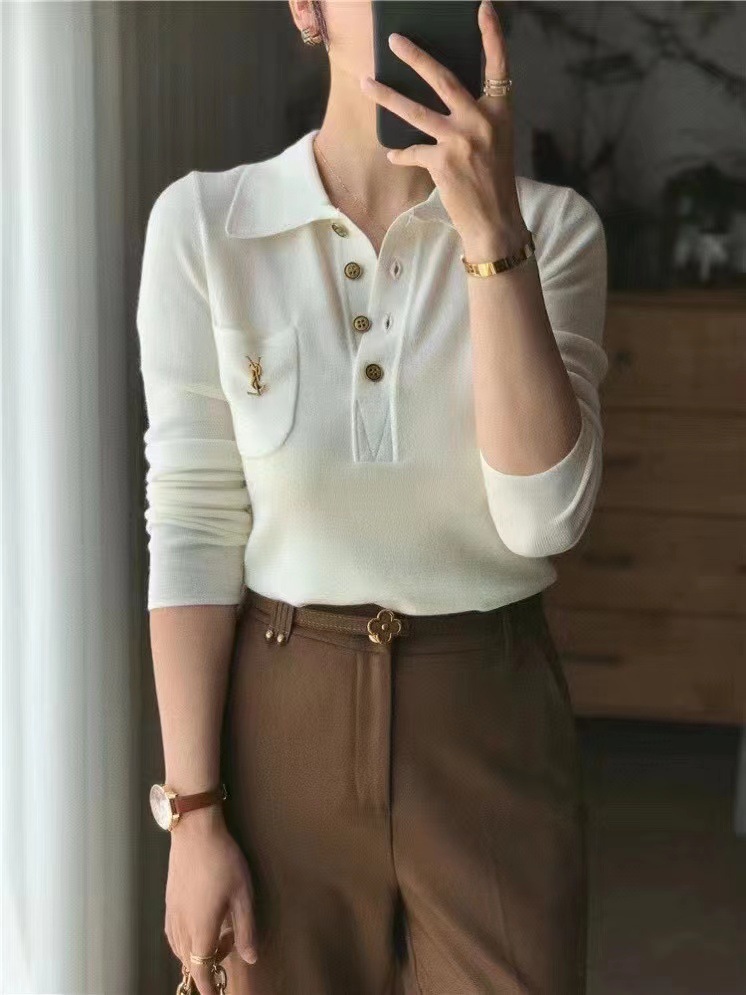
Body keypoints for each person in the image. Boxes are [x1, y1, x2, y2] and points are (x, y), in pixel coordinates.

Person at [136, 1, 609, 992]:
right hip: (280, 720)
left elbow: (544, 519)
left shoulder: (556, 229)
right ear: (306, 7)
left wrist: (491, 232)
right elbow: (193, 523)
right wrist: (193, 815)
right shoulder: (205, 225)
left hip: (485, 716)